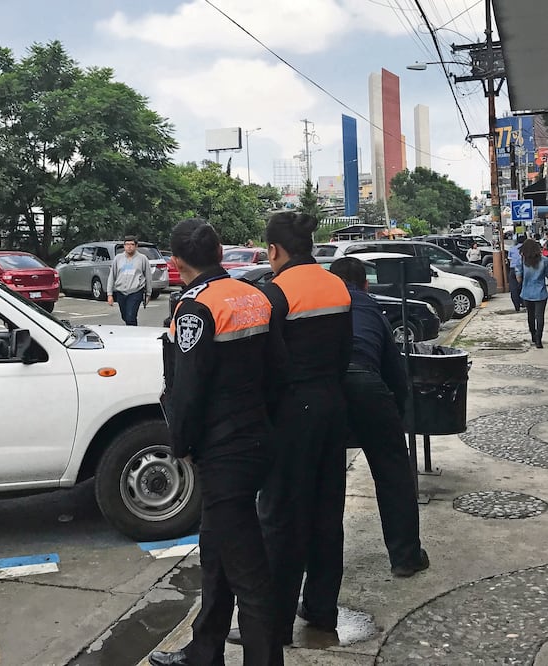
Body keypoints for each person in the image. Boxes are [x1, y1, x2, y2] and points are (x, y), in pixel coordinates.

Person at [150, 218, 284, 666]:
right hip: (258, 437)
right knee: (216, 549)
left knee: (249, 575)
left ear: (176, 261)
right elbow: (277, 371)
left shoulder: (195, 308)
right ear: (220, 252)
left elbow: (188, 388)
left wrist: (179, 443)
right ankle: (205, 650)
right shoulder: (253, 294)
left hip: (224, 451)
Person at [229, 211, 352, 646]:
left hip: (290, 414)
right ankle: (321, 610)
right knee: (325, 512)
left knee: (279, 517)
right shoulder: (337, 285)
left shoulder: (275, 294)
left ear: (275, 251)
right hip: (332, 407)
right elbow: (344, 354)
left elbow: (265, 366)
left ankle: (272, 625)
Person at [328, 257, 430, 577]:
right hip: (369, 386)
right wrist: (396, 414)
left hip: (325, 393)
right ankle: (405, 558)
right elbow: (394, 370)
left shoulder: (321, 304)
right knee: (393, 474)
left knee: (324, 481)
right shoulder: (371, 308)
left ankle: (319, 570)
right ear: (366, 285)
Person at [107, 235, 152, 326]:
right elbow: (112, 275)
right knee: (125, 316)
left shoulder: (142, 259)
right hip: (121, 292)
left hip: (135, 291)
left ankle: (132, 335)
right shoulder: (118, 258)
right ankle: (131, 330)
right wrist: (109, 294)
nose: (129, 246)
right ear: (124, 246)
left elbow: (148, 276)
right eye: (127, 244)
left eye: (131, 244)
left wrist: (148, 294)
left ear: (136, 246)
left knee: (131, 316)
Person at [516, 238, 548, 348]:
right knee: (540, 317)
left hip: (527, 293)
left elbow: (519, 278)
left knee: (530, 316)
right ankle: (539, 340)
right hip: (541, 293)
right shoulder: (544, 260)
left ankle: (533, 336)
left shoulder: (522, 261)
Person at [508, 234, 526, 312]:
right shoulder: (527, 249)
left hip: (513, 269)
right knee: (524, 286)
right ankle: (524, 304)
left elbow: (510, 260)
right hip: (524, 269)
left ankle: (516, 306)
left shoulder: (512, 249)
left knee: (513, 288)